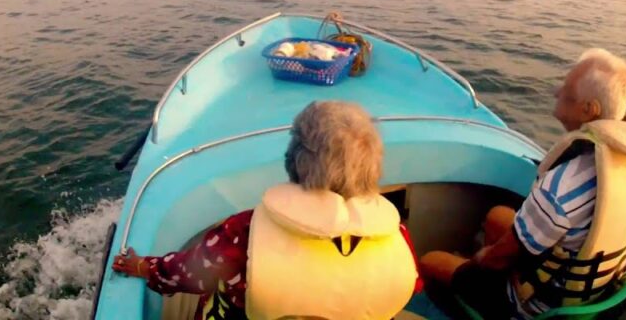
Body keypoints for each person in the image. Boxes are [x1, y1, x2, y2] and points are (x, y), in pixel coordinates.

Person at [421, 48, 626, 319]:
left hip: (535, 304)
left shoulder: (561, 187)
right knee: (498, 216)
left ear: (589, 109)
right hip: (592, 290)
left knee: (431, 261)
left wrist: (478, 260)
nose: (557, 93)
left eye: (567, 91)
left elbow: (498, 258)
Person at [113, 100, 422, 320]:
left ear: (297, 160)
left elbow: (187, 274)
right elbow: (414, 283)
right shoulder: (396, 234)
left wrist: (144, 267)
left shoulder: (243, 232)